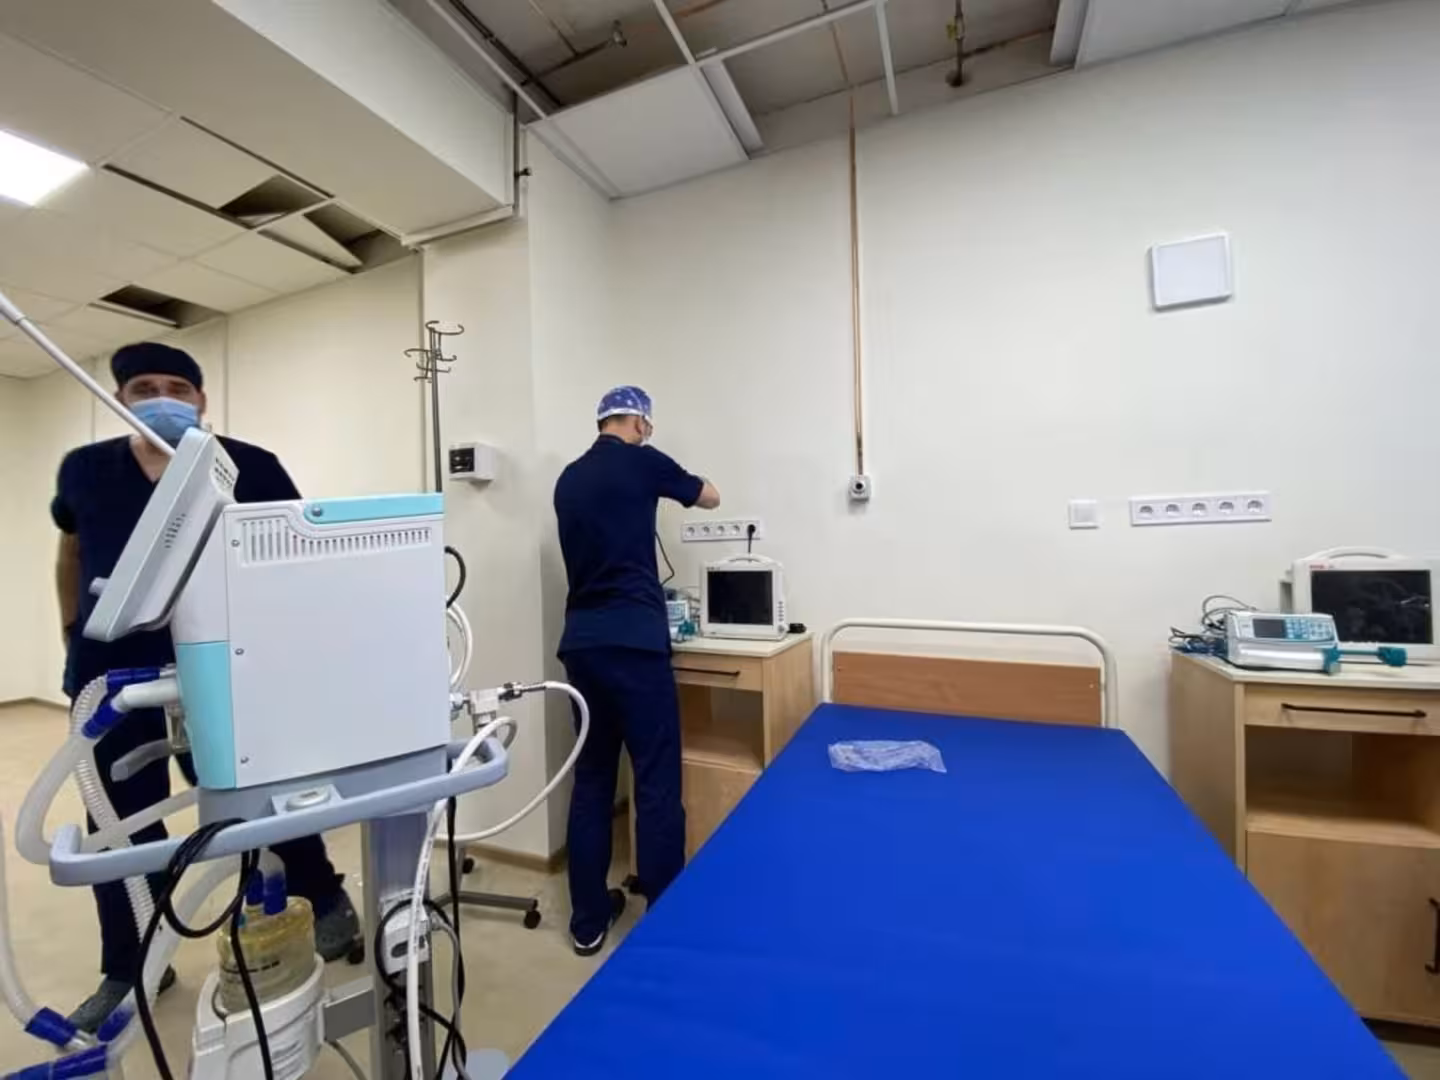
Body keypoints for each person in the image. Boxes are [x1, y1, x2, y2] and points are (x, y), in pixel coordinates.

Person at [52, 342, 363, 1031]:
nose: (161, 399)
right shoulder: (85, 470)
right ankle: (131, 964)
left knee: (260, 798)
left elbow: (292, 558)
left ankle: (321, 895)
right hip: (112, 677)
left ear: (201, 399)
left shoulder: (249, 466)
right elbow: (71, 551)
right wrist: (71, 631)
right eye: (143, 388)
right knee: (119, 823)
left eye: (176, 387)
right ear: (119, 398)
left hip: (222, 665)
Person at [553, 386, 721, 956]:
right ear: (640, 423)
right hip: (635, 643)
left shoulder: (568, 479)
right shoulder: (644, 461)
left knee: (593, 780)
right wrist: (676, 478)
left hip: (581, 645)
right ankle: (664, 914)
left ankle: (587, 921)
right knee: (654, 778)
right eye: (647, 426)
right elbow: (710, 497)